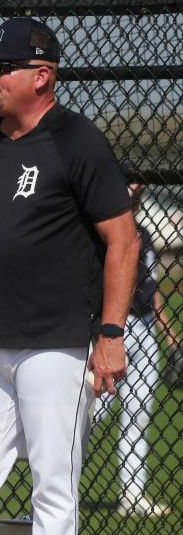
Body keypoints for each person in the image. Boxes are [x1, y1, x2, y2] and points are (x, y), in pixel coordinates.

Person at [0, 17, 139, 535]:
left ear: (42, 76)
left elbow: (123, 240)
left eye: (3, 67)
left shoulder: (77, 140)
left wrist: (112, 333)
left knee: (53, 487)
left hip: (57, 344)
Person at [93, 160, 178, 516]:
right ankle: (56, 486)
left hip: (143, 328)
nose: (134, 190)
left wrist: (171, 338)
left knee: (139, 413)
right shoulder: (100, 234)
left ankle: (132, 495)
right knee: (92, 411)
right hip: (112, 330)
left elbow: (153, 290)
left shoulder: (141, 234)